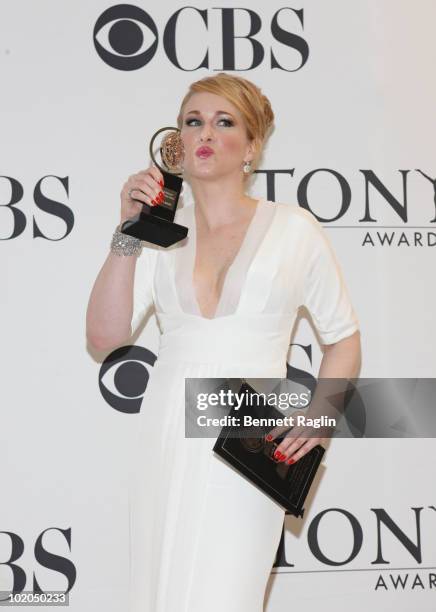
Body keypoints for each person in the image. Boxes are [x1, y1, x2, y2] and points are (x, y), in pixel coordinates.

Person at [86, 72, 361, 612]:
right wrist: (126, 231)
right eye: (193, 122)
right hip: (169, 431)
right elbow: (105, 337)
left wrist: (320, 415)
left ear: (251, 147)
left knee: (227, 591)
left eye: (223, 121)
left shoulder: (294, 228)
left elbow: (344, 337)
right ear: (176, 144)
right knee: (162, 588)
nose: (204, 133)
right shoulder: (160, 233)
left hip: (249, 437)